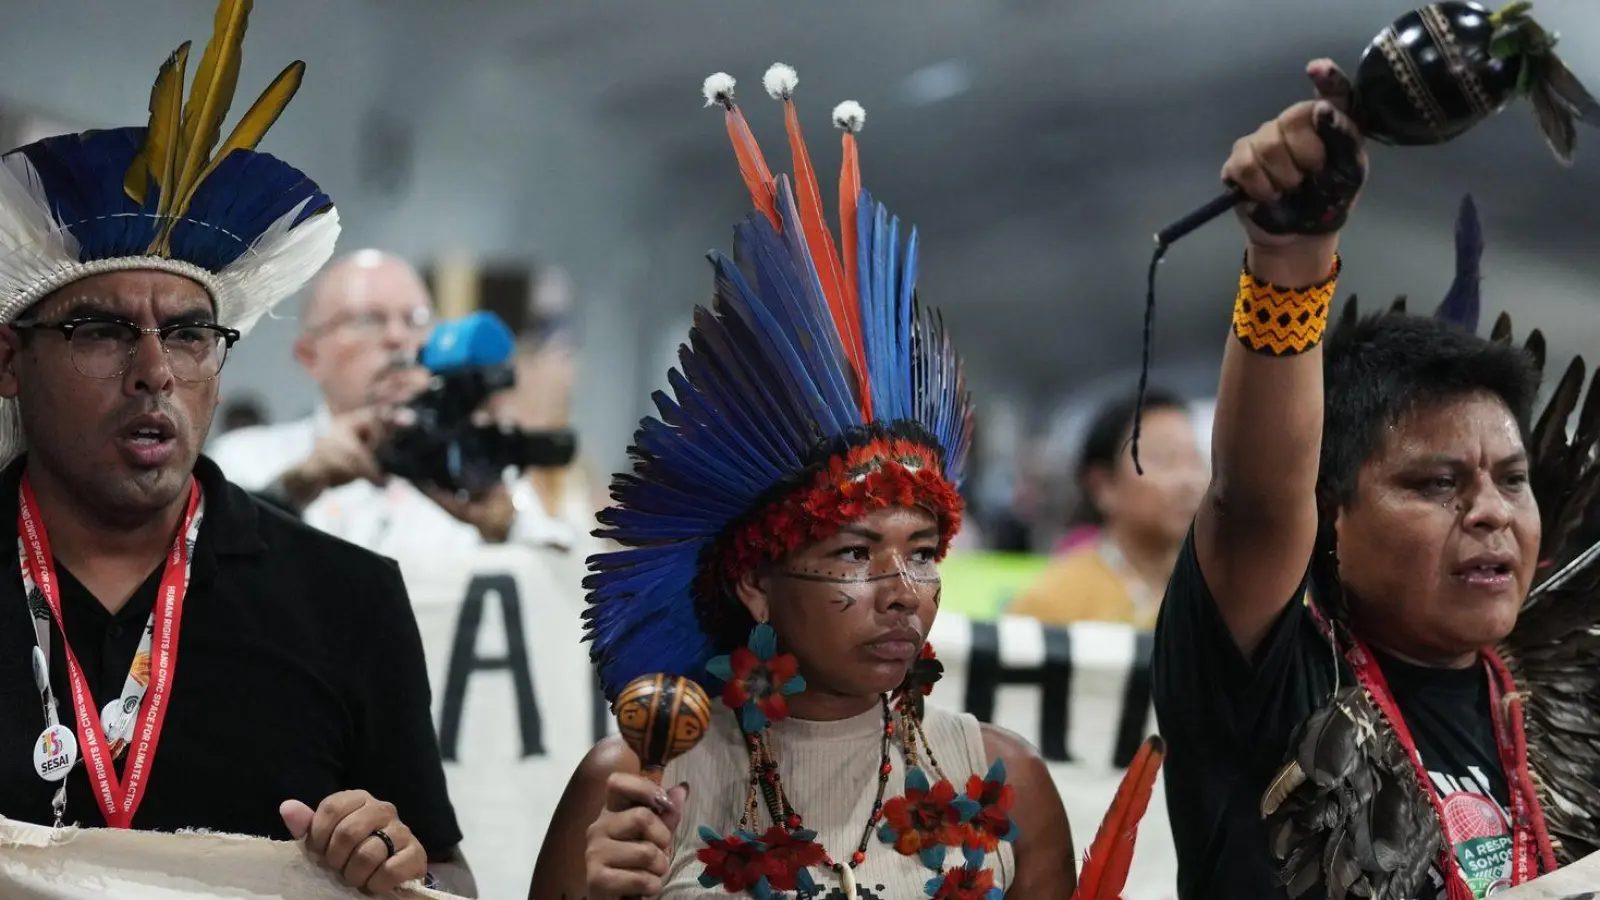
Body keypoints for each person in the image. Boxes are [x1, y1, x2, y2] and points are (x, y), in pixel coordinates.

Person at [529, 66, 1082, 900]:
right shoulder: (640, 784)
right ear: (754, 581)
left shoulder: (1007, 784)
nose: (904, 592)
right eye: (858, 554)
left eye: (924, 552)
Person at [0, 2, 473, 895]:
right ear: (9, 361)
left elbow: (447, 880)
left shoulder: (346, 598)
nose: (154, 372)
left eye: (188, 334)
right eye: (102, 331)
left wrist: (391, 863)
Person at [1152, 58, 1600, 900]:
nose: (1491, 513)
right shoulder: (1269, 675)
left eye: (1512, 479)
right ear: (1328, 518)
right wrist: (1291, 255)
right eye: (1437, 485)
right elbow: (1254, 500)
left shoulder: (1556, 693)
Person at [207, 250, 585, 556]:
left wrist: (507, 525)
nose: (398, 337)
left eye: (416, 320)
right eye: (368, 320)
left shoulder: (474, 475)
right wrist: (295, 487)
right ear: (309, 355)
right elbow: (198, 570)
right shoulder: (247, 460)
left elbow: (569, 599)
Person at [1010, 388, 1205, 628]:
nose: (1189, 481)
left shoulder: (1219, 592)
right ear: (1104, 486)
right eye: (1164, 459)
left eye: (1195, 459)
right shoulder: (1054, 603)